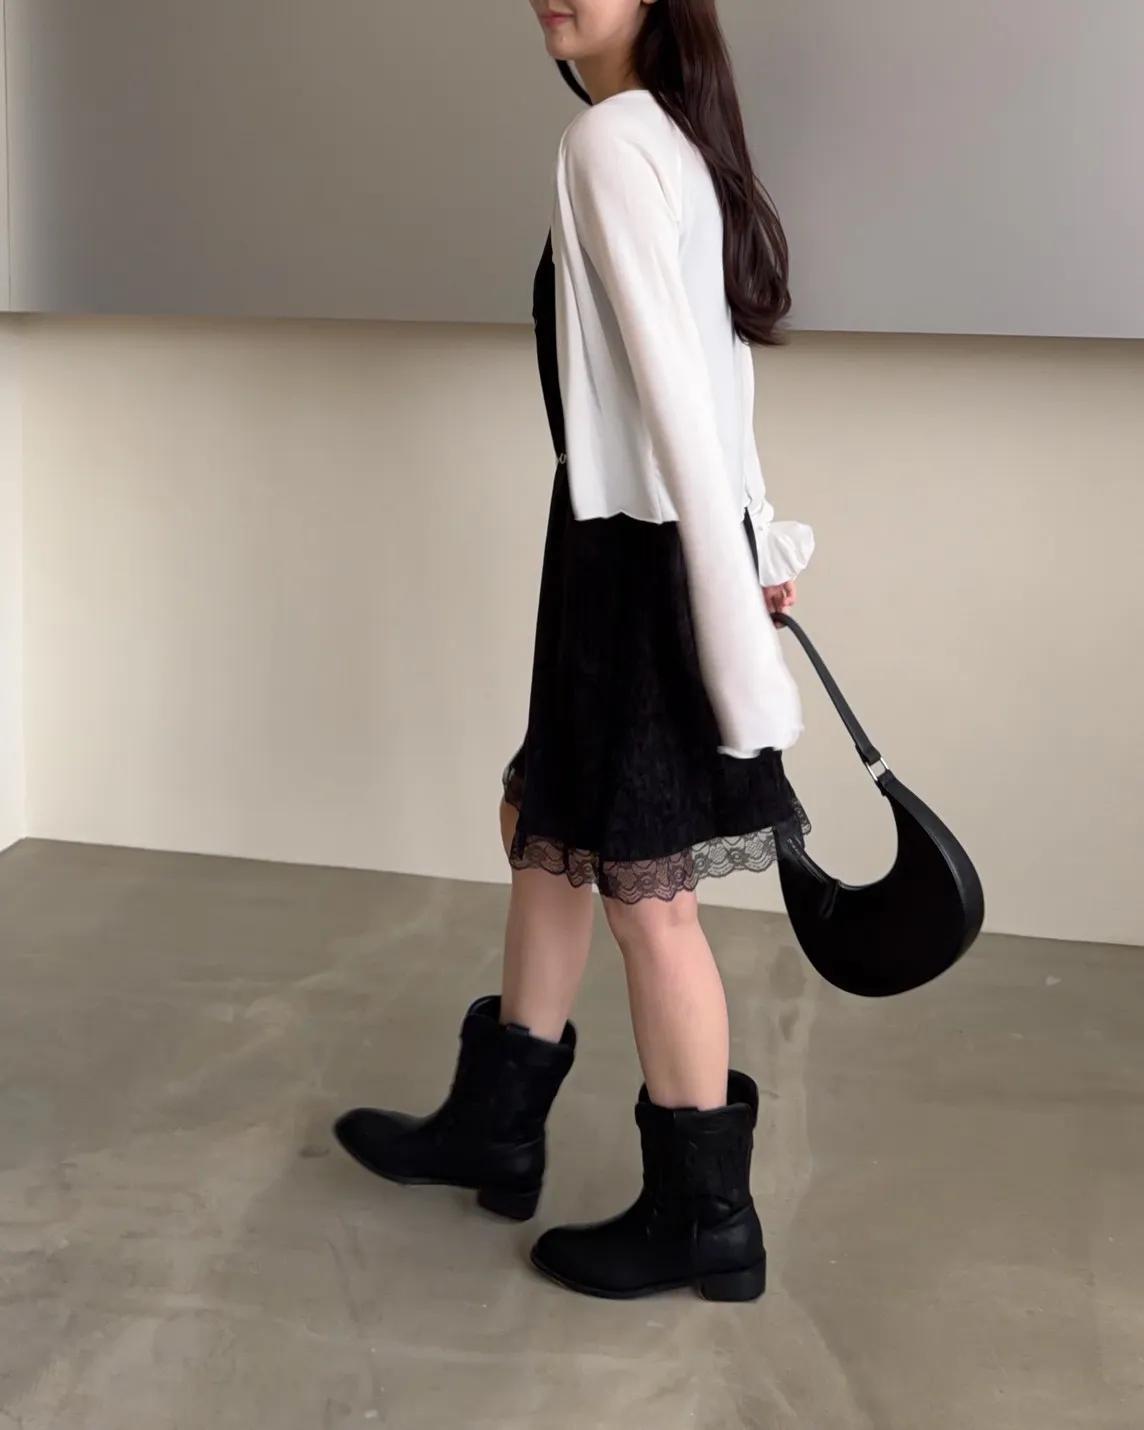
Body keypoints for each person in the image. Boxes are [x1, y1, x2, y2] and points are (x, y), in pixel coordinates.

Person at [334, 0, 814, 1303]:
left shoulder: (610, 143)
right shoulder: (672, 137)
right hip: (645, 544)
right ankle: (496, 1122)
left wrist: (730, 612)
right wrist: (754, 543)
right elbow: (720, 384)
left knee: (647, 895)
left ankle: (706, 1220)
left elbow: (680, 397)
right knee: (549, 821)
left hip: (636, 554)